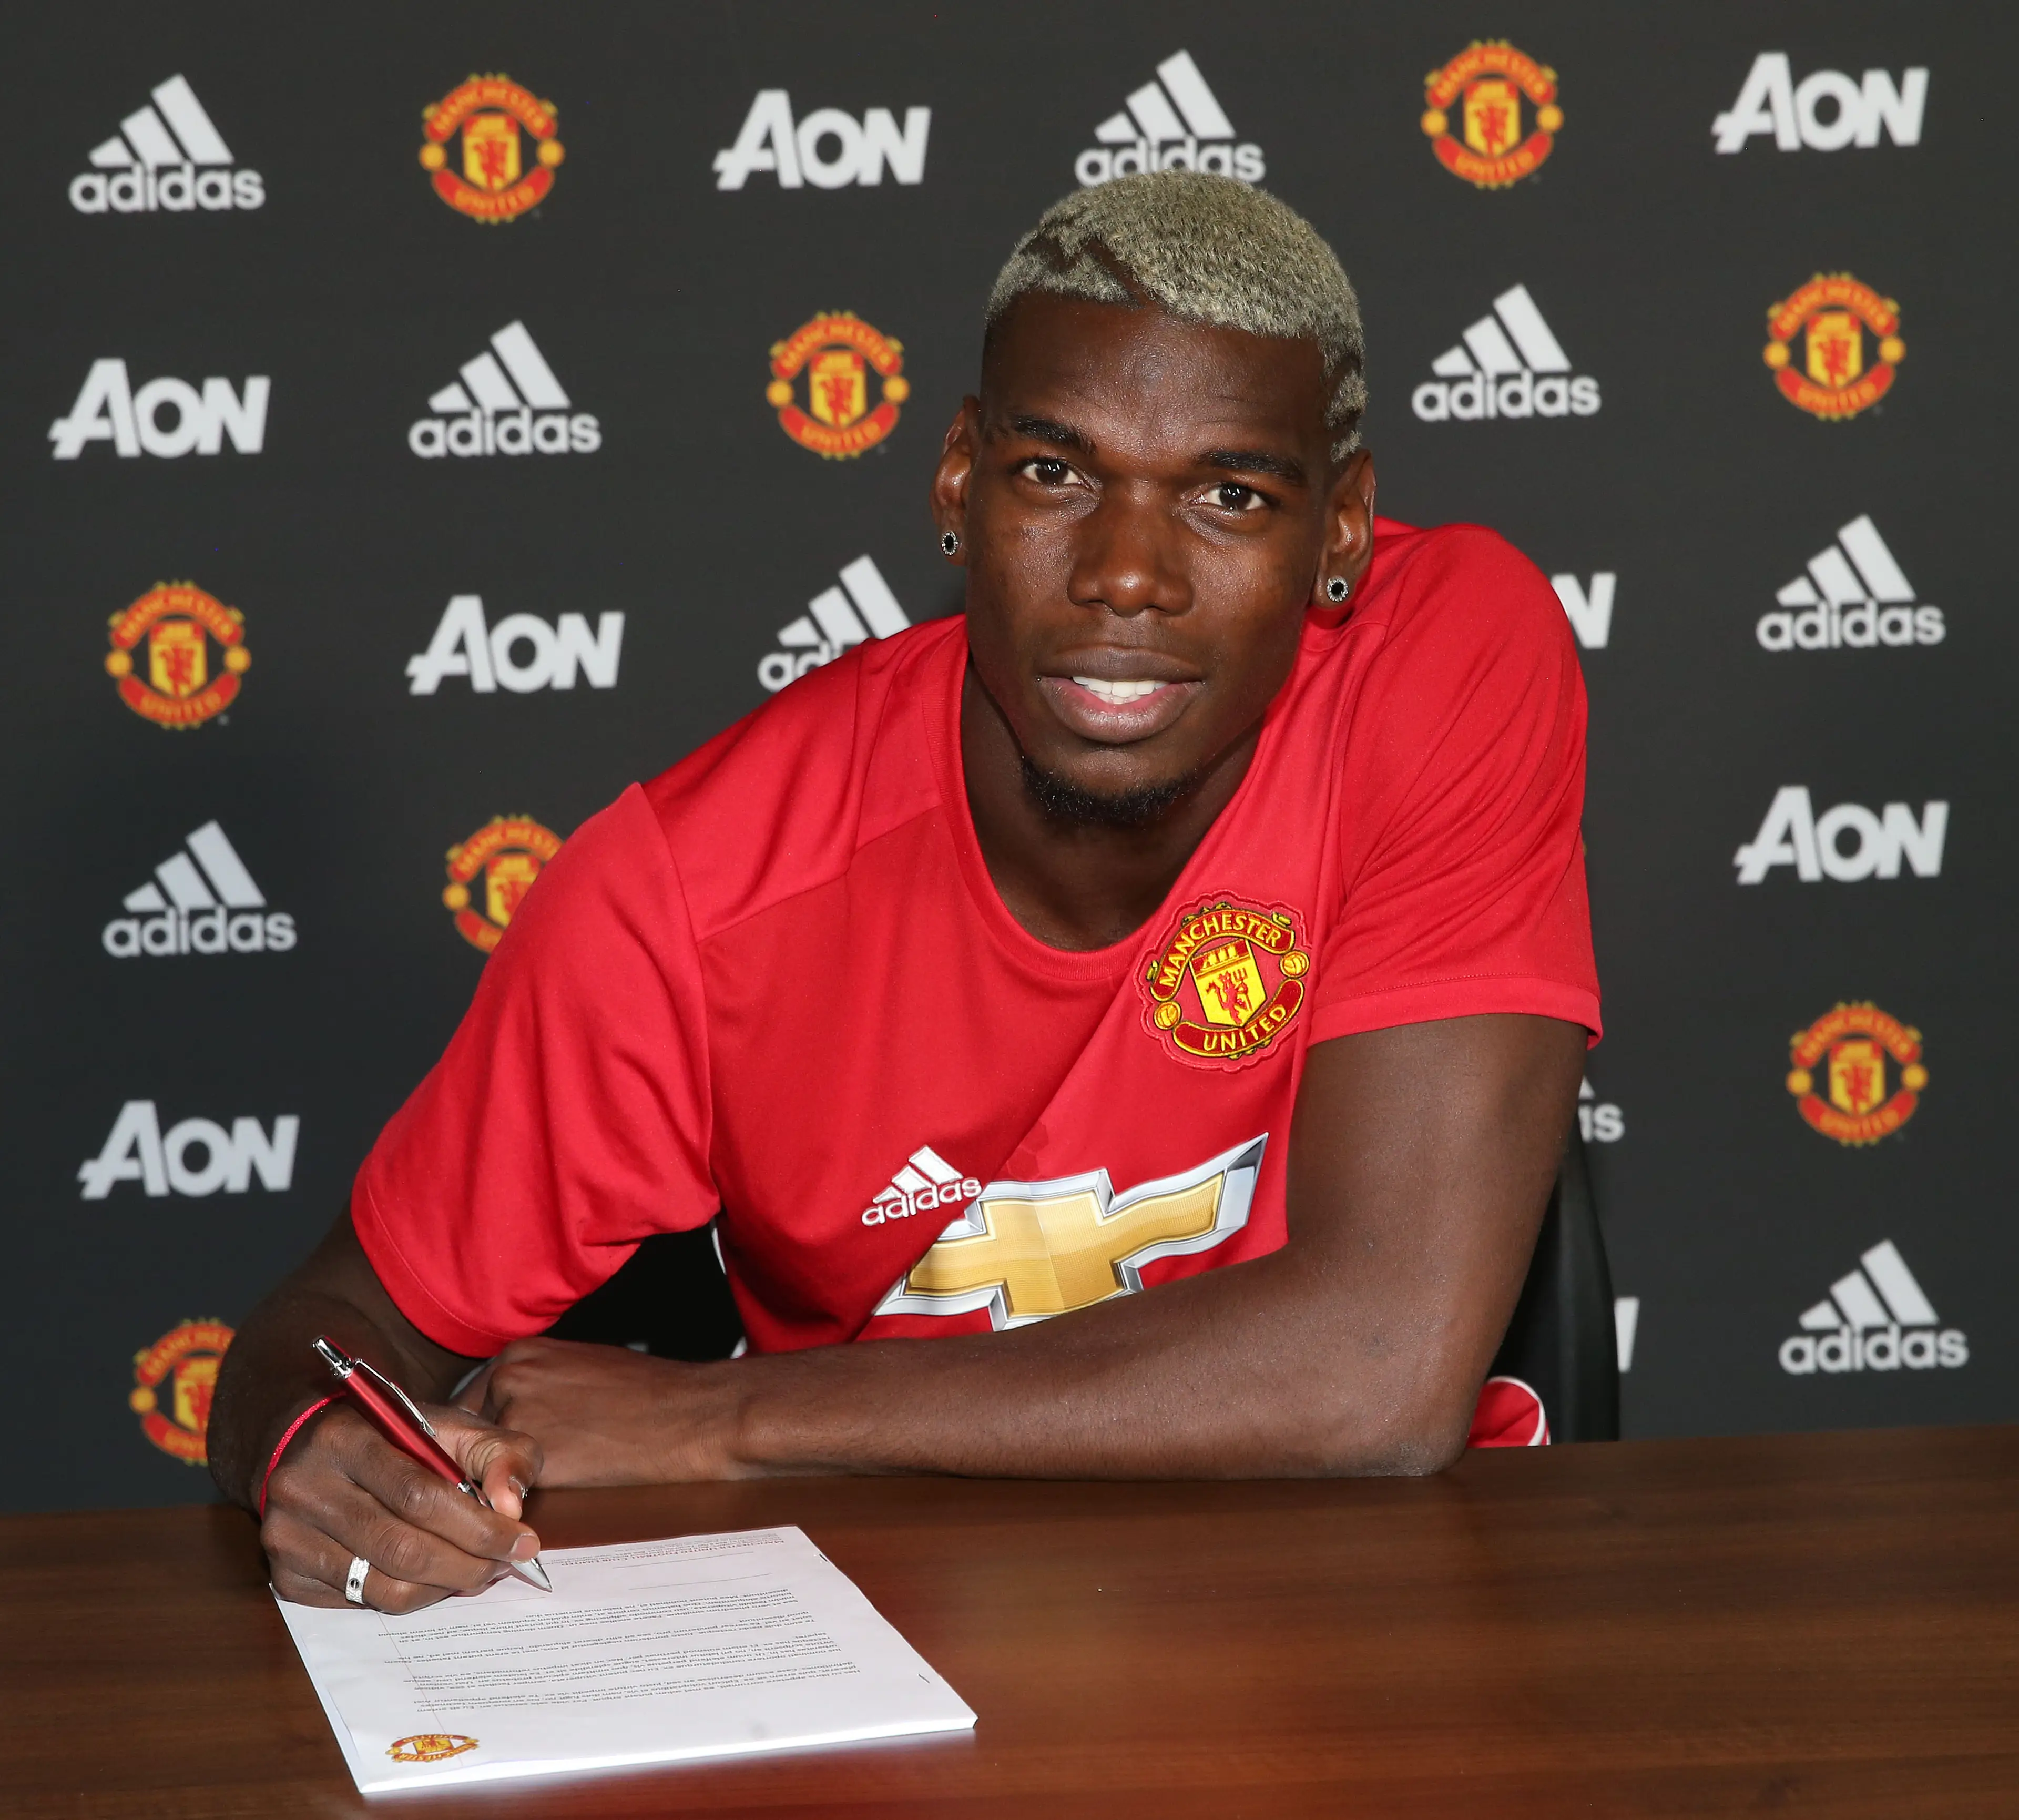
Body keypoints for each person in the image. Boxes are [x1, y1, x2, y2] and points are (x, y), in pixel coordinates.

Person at [211, 171, 1598, 1612]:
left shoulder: (1439, 658)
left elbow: (1380, 1363)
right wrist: (311, 1454)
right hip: (901, 1636)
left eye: (1230, 496)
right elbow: (328, 1329)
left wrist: (723, 1417)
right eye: (1055, 475)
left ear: (1343, 533)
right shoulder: (701, 885)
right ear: (957, 483)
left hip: (1369, 1612)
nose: (1128, 576)